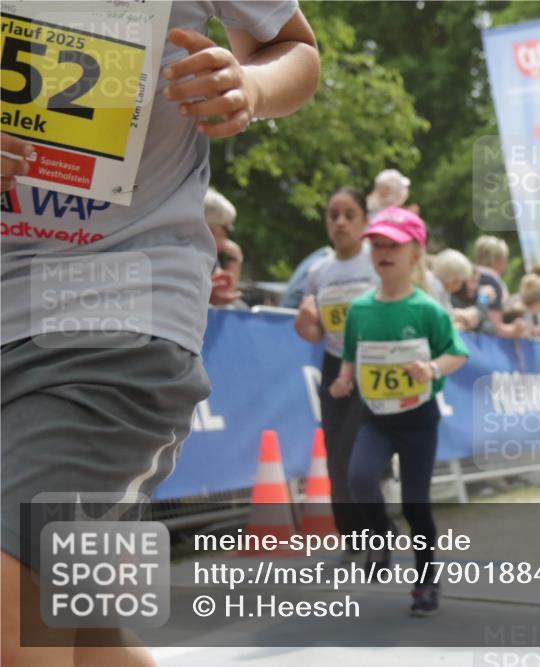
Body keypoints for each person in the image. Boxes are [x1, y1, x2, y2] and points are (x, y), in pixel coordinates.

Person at [1, 4, 319, 666]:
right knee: (88, 637)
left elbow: (294, 48)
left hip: (114, 322)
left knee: (14, 611)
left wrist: (249, 86)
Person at [330, 207, 468, 616]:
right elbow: (352, 353)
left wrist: (430, 368)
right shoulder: (359, 310)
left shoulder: (427, 309)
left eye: (394, 245)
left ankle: (426, 582)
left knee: (416, 505)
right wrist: (344, 377)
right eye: (377, 245)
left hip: (418, 421)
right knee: (358, 477)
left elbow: (456, 354)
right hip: (376, 417)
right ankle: (381, 536)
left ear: (414, 255)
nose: (384, 252)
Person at [293, 188, 377, 559]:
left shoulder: (376, 264)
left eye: (349, 214)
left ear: (364, 220)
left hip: (373, 365)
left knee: (356, 451)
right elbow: (314, 332)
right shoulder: (317, 273)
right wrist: (304, 325)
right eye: (333, 215)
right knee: (335, 456)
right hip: (334, 366)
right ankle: (352, 538)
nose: (340, 222)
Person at [472, 235, 526, 338]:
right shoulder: (492, 282)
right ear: (498, 259)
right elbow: (496, 327)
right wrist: (516, 330)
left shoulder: (471, 275)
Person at [430, 249, 480, 331]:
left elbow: (446, 312)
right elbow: (438, 322)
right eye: (461, 281)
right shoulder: (434, 288)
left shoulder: (444, 289)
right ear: (454, 280)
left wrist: (462, 315)